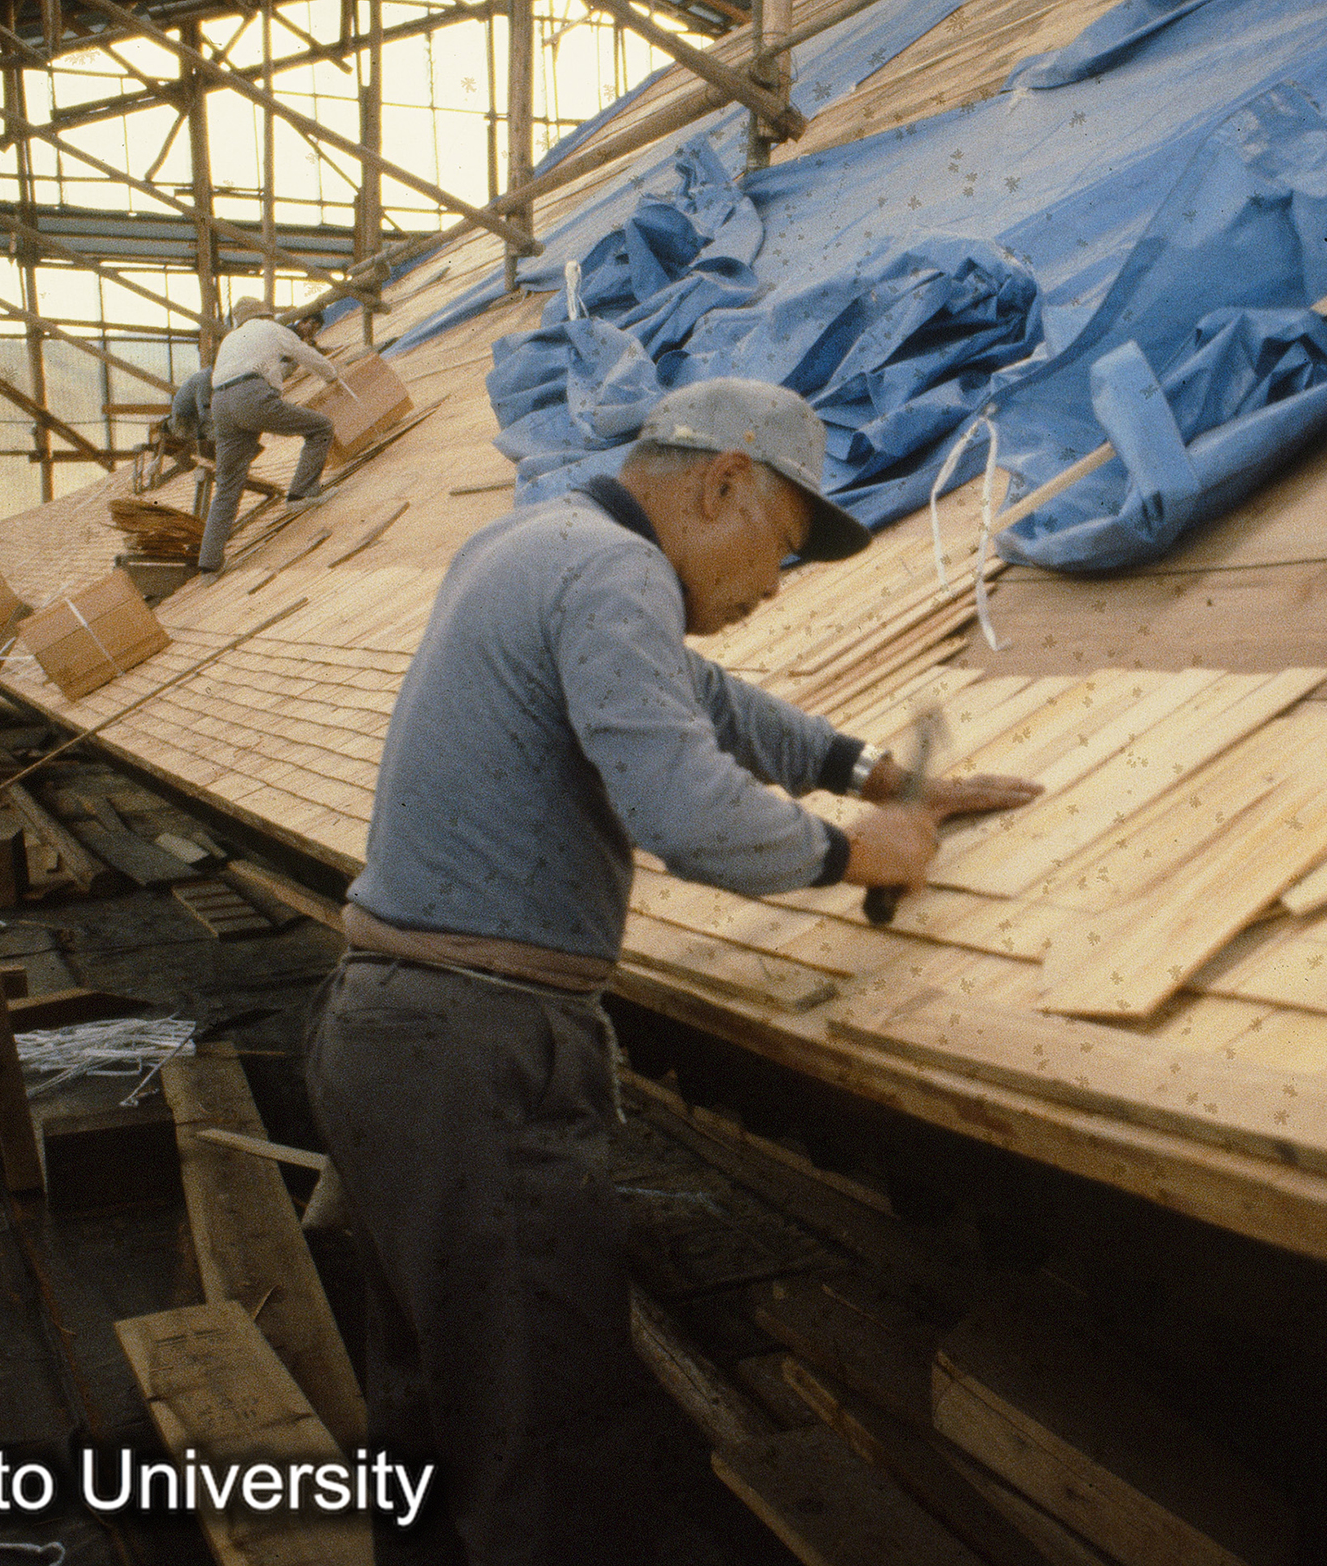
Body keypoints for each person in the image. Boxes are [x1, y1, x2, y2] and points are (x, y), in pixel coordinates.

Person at [302, 377, 1041, 1564]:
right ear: (722, 482)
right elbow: (682, 805)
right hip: (475, 1058)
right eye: (782, 552)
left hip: (386, 1037)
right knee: (542, 1444)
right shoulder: (615, 572)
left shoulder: (533, 541)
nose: (773, 587)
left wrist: (869, 774)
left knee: (434, 1424)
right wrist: (861, 851)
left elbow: (703, 705)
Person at [198, 296, 344, 573]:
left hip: (221, 404)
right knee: (320, 427)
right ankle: (302, 494)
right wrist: (331, 375)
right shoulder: (271, 328)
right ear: (264, 315)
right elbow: (304, 353)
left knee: (228, 484)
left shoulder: (229, 339)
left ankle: (209, 564)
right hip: (250, 397)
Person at [166, 364, 213, 446]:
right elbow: (204, 410)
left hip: (191, 418)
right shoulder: (205, 379)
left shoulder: (206, 374)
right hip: (184, 421)